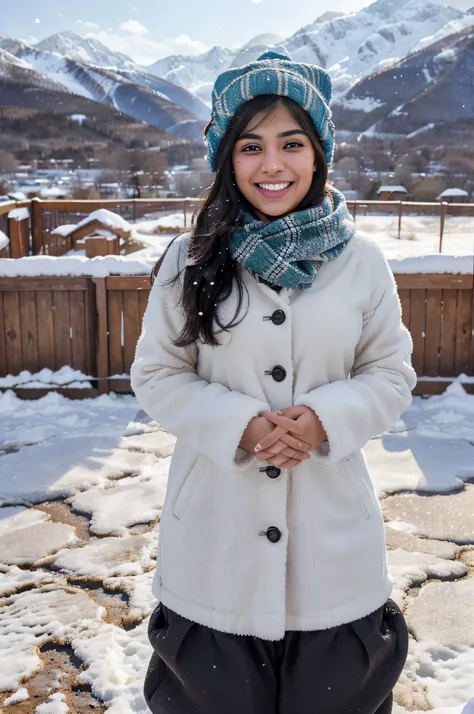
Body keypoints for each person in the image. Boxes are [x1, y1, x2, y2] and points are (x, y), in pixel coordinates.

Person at [131, 50, 417, 714]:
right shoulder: (188, 259)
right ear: (226, 158)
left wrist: (326, 419)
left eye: (292, 143)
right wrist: (240, 424)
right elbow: (157, 372)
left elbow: (390, 372)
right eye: (250, 146)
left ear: (319, 154)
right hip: (214, 551)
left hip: (334, 557)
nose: (272, 164)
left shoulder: (363, 264)